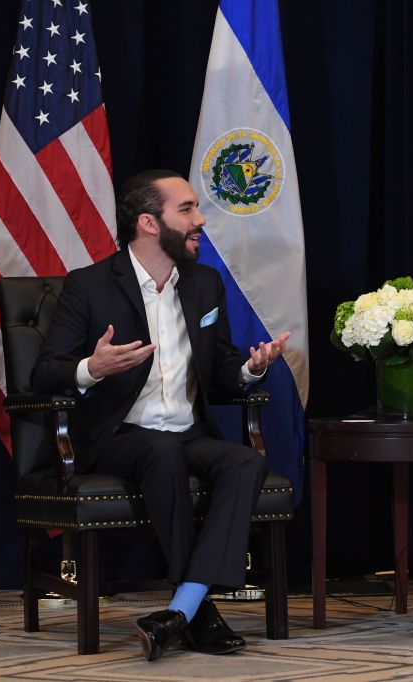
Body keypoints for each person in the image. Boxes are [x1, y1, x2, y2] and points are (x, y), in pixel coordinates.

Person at [32, 169, 290, 662]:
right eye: (188, 210)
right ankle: (200, 611)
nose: (201, 221)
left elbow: (220, 368)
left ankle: (183, 608)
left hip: (188, 430)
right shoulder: (89, 285)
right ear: (149, 223)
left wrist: (251, 370)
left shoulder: (204, 284)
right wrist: (92, 367)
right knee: (161, 449)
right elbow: (45, 373)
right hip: (118, 434)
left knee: (245, 462)